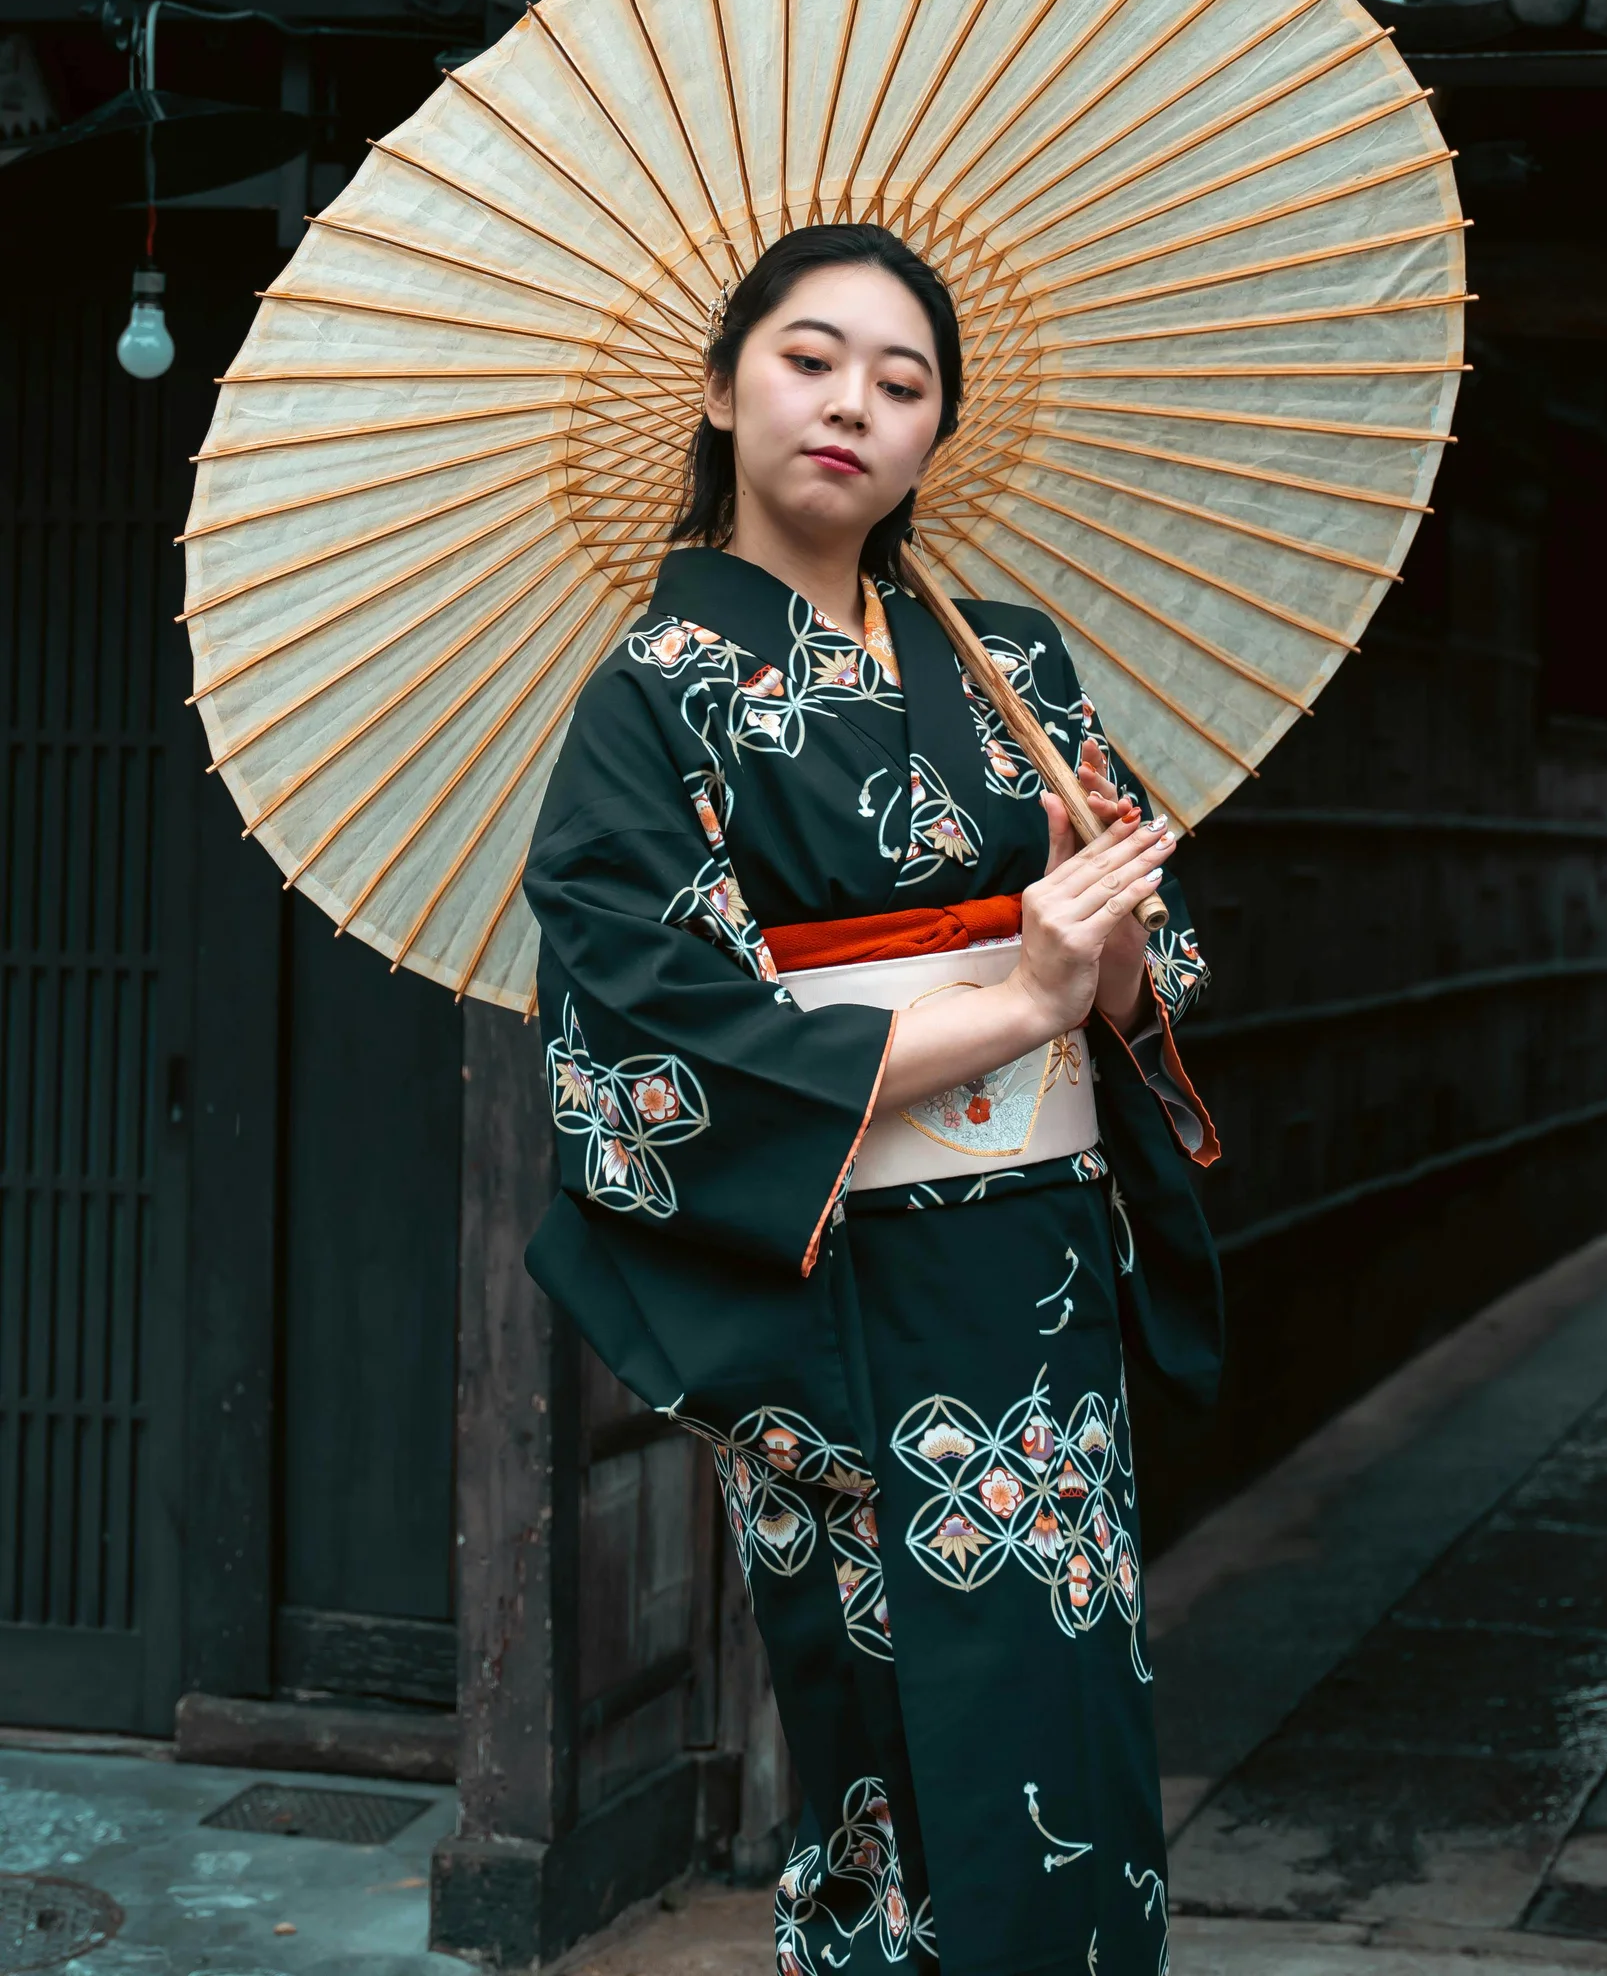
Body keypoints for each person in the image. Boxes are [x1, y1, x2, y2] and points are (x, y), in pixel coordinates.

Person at [522, 221, 1222, 1976]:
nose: (852, 404)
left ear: (937, 433)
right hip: (840, 1293)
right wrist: (1017, 998)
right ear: (718, 386)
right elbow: (667, 1044)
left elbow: (1149, 986)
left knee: (1068, 1707)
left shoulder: (1018, 669)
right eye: (809, 359)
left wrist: (1105, 946)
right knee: (895, 1735)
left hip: (1037, 1280)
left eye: (902, 383)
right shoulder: (649, 702)